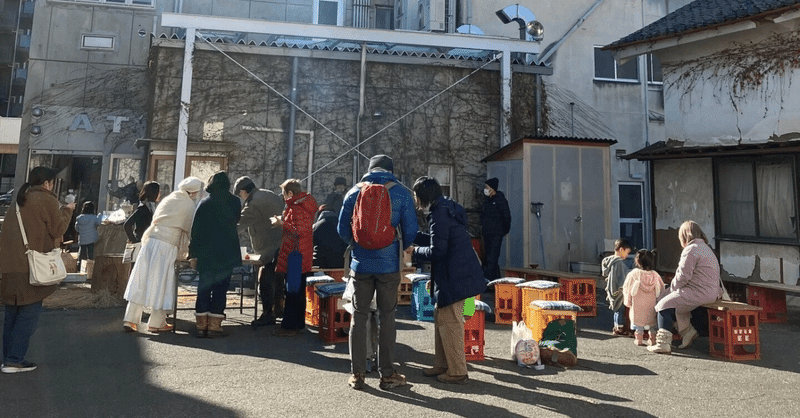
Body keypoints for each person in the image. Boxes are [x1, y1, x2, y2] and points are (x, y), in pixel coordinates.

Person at [337, 154, 418, 391]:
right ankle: (388, 374)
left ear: (369, 170)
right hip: (389, 265)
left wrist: (359, 245)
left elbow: (342, 229)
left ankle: (357, 374)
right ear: (391, 171)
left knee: (359, 316)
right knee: (387, 317)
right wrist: (395, 246)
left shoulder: (354, 192)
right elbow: (411, 230)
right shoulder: (401, 192)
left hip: (360, 264)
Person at [411, 177, 486, 385]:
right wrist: (415, 237)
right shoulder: (445, 208)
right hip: (456, 273)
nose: (415, 199)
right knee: (440, 319)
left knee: (450, 323)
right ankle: (443, 364)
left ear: (424, 195)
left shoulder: (439, 214)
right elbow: (439, 240)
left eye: (416, 195)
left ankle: (457, 371)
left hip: (455, 276)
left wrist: (415, 252)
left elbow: (438, 250)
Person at [0, 166, 75, 373]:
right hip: (31, 268)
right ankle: (14, 359)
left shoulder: (20, 199)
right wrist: (67, 210)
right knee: (28, 314)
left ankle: (8, 358)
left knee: (12, 314)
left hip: (9, 267)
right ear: (47, 183)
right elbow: (58, 229)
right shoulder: (46, 199)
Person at [122, 177, 203, 333]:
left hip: (150, 240)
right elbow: (191, 229)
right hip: (167, 244)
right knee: (162, 281)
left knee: (142, 278)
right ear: (193, 192)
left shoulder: (170, 198)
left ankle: (130, 319)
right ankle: (156, 322)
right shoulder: (188, 205)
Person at [649, 221, 723, 354]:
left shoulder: (691, 249)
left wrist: (669, 291)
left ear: (684, 236)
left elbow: (683, 276)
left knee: (664, 305)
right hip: (711, 291)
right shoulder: (706, 248)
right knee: (678, 303)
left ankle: (663, 344)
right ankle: (687, 332)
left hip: (698, 291)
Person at [189, 172, 242, 338]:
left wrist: (193, 253)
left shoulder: (205, 203)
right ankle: (214, 326)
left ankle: (200, 326)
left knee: (204, 288)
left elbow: (195, 230)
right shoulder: (235, 201)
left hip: (206, 252)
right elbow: (237, 219)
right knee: (221, 289)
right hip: (226, 252)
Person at [234, 176, 286, 326]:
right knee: (278, 279)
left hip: (269, 247)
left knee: (265, 280)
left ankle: (268, 314)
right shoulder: (268, 193)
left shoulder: (253, 203)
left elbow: (240, 224)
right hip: (282, 244)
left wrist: (224, 236)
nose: (241, 198)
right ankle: (279, 309)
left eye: (240, 194)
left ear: (244, 191)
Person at [272, 179, 317, 337]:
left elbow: (300, 230)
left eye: (284, 193)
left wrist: (282, 224)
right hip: (300, 254)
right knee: (296, 290)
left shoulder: (298, 207)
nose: (283, 197)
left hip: (295, 255)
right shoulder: (301, 204)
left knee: (293, 291)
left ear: (290, 193)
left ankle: (290, 326)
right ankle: (296, 324)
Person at [622, 249, 664, 346]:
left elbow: (627, 288)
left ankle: (639, 339)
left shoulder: (634, 274)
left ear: (637, 261)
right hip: (651, 304)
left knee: (638, 323)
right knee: (652, 323)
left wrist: (628, 302)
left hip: (638, 305)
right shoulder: (655, 275)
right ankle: (652, 339)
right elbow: (661, 288)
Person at [480, 177, 511, 281]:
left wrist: (504, 230)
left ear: (492, 189)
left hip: (496, 234)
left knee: (491, 259)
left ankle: (487, 282)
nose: (485, 189)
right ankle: (497, 281)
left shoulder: (500, 200)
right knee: (491, 259)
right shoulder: (487, 201)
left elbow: (506, 216)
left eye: (487, 187)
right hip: (487, 233)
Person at [602, 239, 632, 336]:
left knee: (616, 309)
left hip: (611, 289)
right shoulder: (618, 263)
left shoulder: (608, 260)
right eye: (627, 253)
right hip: (618, 290)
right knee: (620, 308)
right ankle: (619, 328)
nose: (627, 256)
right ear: (621, 249)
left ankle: (616, 327)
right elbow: (621, 278)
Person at [74, 201, 102, 271]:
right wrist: (100, 215)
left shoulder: (79, 218)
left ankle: (79, 267)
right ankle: (90, 269)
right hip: (91, 239)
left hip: (82, 239)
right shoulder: (93, 217)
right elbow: (98, 222)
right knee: (90, 255)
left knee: (82, 254)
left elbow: (76, 228)